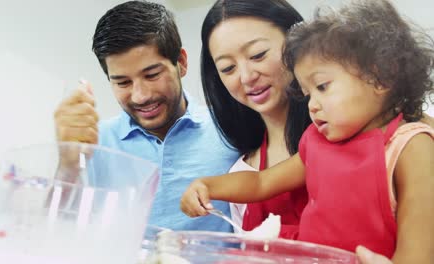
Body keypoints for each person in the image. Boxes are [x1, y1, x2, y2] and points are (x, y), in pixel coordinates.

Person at [181, 0, 434, 262]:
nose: (312, 105)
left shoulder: (411, 145)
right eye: (306, 93)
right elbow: (261, 182)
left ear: (381, 78)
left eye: (322, 87)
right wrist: (207, 185)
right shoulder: (316, 141)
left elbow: (419, 250)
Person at [53, 0, 239, 231]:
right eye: (122, 82)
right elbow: (54, 229)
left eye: (152, 75)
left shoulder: (230, 127)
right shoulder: (94, 144)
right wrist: (68, 162)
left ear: (181, 63)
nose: (140, 96)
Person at [199, 0, 311, 238]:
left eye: (257, 55)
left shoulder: (343, 136)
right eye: (228, 68)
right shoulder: (240, 175)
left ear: (296, 41)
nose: (247, 77)